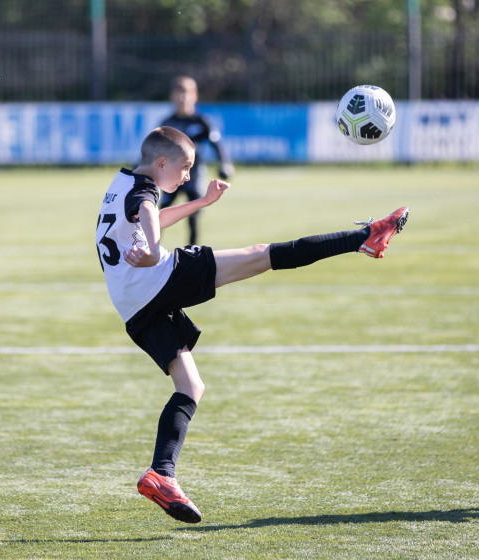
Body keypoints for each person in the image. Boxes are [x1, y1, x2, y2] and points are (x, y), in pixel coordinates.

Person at [95, 126, 409, 523]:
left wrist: (201, 203)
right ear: (161, 163)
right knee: (264, 255)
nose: (187, 177)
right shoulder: (144, 190)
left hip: (132, 305)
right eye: (184, 168)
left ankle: (161, 474)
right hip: (155, 282)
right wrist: (154, 251)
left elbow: (148, 212)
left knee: (191, 387)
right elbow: (147, 212)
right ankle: (365, 237)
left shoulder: (121, 182)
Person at [157, 75, 234, 245]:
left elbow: (217, 144)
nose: (182, 97)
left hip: (195, 173)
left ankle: (191, 254)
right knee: (160, 214)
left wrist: (225, 164)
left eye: (186, 93)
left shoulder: (202, 121)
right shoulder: (167, 123)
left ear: (195, 96)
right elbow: (155, 151)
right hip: (171, 175)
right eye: (179, 93)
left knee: (193, 215)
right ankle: (151, 252)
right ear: (172, 96)